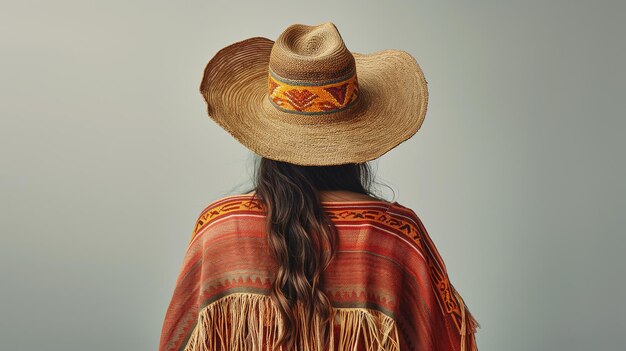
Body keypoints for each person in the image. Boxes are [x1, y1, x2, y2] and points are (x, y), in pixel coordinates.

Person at [158, 22, 479, 351]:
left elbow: (178, 340)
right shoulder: (396, 236)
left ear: (266, 135)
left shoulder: (220, 230)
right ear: (358, 135)